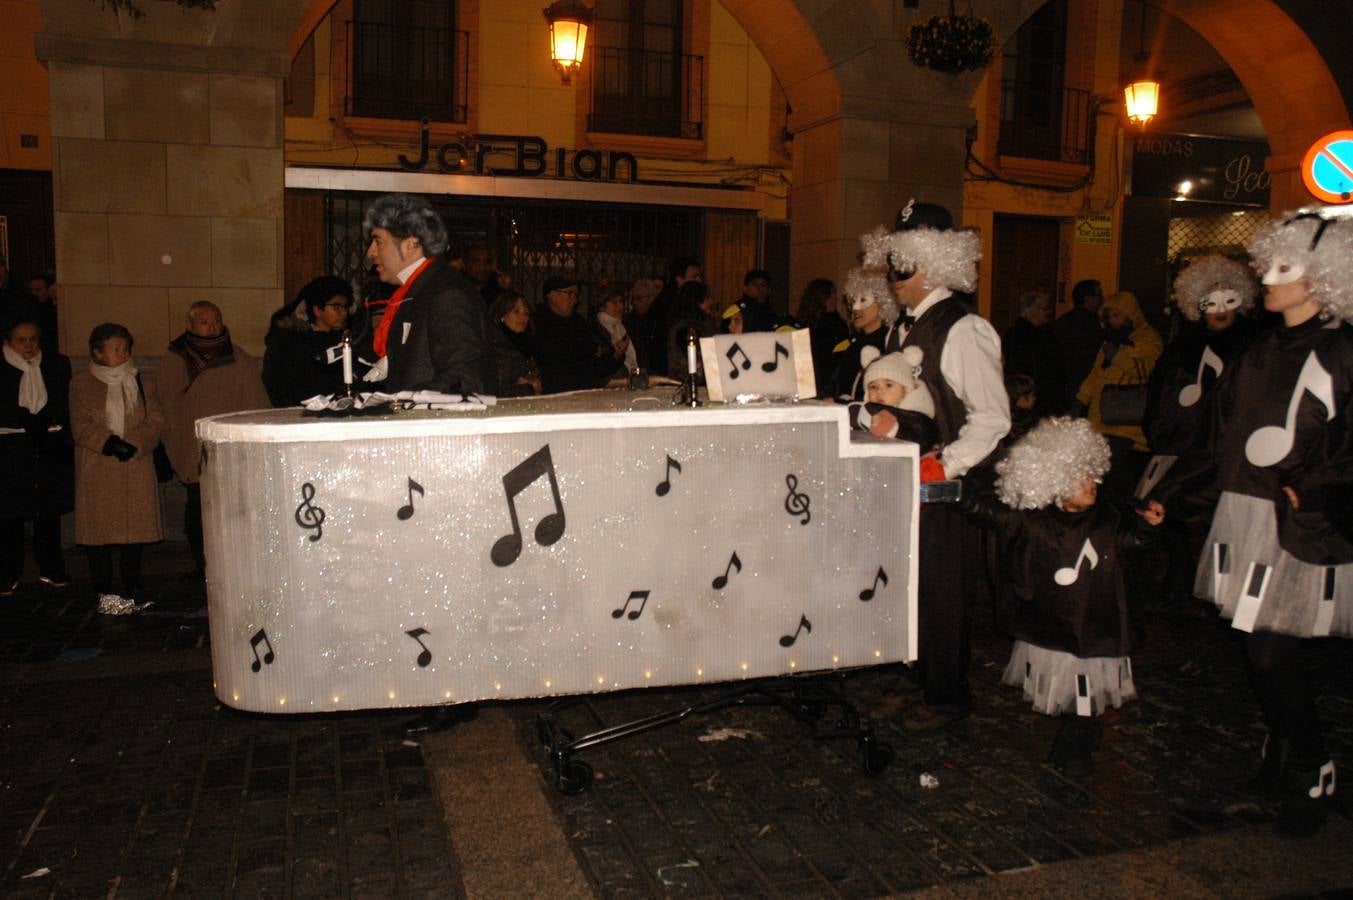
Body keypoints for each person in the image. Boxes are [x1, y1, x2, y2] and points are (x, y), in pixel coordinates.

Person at [1162, 208, 1353, 837]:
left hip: (1296, 524)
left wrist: (1316, 489)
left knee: (1271, 653)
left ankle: (1312, 763)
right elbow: (1219, 438)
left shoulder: (1343, 350)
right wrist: (1173, 492)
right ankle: (1281, 747)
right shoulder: (1259, 348)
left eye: (1284, 266)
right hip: (1243, 516)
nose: (1266, 277)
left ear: (1324, 275)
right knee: (1258, 648)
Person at [859, 200, 1011, 731]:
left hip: (945, 486)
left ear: (935, 264)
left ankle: (947, 696)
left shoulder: (963, 330)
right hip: (908, 481)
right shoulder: (906, 328)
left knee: (943, 589)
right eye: (892, 265)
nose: (894, 280)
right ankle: (919, 672)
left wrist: (947, 466)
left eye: (905, 268)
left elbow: (992, 417)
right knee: (911, 582)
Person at [958, 417, 1163, 775]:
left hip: (1096, 622)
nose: (1091, 484)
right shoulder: (1032, 522)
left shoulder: (1110, 518)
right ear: (1051, 481)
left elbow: (1132, 544)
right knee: (1070, 686)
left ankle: (1076, 746)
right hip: (1053, 621)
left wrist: (1148, 527)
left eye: (1092, 475)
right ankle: (1081, 734)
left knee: (1084, 688)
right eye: (1079, 477)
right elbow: (985, 513)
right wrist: (951, 488)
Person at [1139, 255, 1260, 605]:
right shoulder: (1184, 345)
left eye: (1229, 299)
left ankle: (1221, 587)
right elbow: (1162, 392)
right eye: (1211, 302)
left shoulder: (1254, 345)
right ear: (1196, 306)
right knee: (1175, 512)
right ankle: (1181, 577)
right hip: (1183, 444)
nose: (1220, 309)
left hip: (1230, 449)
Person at [158, 301, 269, 580]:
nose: (213, 326)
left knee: (230, 508)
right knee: (197, 506)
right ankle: (201, 562)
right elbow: (167, 403)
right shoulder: (175, 358)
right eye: (205, 322)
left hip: (228, 445)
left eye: (216, 320)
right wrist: (176, 437)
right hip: (191, 443)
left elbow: (254, 401)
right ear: (190, 325)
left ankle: (229, 561)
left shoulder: (238, 358)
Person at [69, 323, 164, 610]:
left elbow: (156, 420)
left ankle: (132, 577)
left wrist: (135, 442)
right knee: (99, 528)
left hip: (135, 464)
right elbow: (81, 423)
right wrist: (108, 442)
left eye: (125, 349)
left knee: (135, 526)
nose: (122, 355)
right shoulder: (81, 384)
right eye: (114, 349)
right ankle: (102, 582)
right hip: (99, 466)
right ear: (97, 352)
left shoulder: (142, 383)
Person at [361, 194, 494, 395]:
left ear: (411, 245)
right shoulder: (419, 289)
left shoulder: (446, 293)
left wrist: (397, 402)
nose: (370, 252)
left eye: (378, 242)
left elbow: (463, 378)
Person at [0, 320, 73, 595]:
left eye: (33, 339)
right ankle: (8, 572)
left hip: (46, 445)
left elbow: (62, 399)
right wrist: (22, 418)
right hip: (10, 450)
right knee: (9, 515)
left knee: (47, 512)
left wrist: (46, 420)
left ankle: (52, 568)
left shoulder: (55, 365)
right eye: (21, 340)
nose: (28, 346)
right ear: (8, 342)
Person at [1073, 291, 1163, 505]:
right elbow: (1096, 376)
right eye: (1109, 317)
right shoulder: (1110, 343)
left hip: (1129, 429)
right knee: (1104, 487)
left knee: (1122, 490)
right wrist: (1079, 402)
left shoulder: (1149, 339)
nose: (1113, 321)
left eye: (1117, 315)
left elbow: (1149, 372)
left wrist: (1119, 357)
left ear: (1130, 315)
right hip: (1103, 423)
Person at [263, 276, 358, 406]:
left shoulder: (346, 340)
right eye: (336, 306)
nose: (344, 313)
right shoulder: (289, 343)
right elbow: (276, 385)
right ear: (317, 310)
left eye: (345, 306)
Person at [534, 277, 625, 393]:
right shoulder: (539, 323)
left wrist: (616, 356)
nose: (574, 300)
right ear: (552, 295)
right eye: (570, 294)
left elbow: (595, 365)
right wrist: (590, 349)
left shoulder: (578, 322)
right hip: (558, 393)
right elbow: (559, 355)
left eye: (576, 295)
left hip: (588, 391)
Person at [848, 346, 939, 453]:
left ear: (906, 389)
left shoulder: (918, 420)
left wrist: (888, 427)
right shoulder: (869, 411)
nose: (879, 391)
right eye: (873, 387)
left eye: (889, 385)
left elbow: (920, 439)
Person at [830, 268, 901, 401]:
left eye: (863, 300)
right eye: (853, 301)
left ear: (883, 303)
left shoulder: (889, 346)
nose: (855, 308)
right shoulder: (854, 346)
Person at [1002, 291, 1066, 415]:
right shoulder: (1017, 335)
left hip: (1048, 397)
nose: (1048, 312)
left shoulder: (1048, 333)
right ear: (1030, 310)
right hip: (1028, 395)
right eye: (1044, 308)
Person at [647, 257, 702, 376]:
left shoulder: (685, 302)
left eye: (699, 277)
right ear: (679, 280)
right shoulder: (668, 304)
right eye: (694, 277)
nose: (699, 281)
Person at [1055, 280, 1106, 403]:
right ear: (1088, 299)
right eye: (1099, 295)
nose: (1103, 299)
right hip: (1083, 384)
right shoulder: (1092, 324)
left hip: (1067, 384)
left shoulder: (1063, 321)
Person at [796, 278, 849, 397]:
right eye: (832, 294)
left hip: (820, 383)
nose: (836, 298)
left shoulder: (804, 324)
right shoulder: (828, 324)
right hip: (822, 383)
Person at [487, 289, 542, 397]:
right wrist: (529, 388)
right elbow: (497, 393)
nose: (523, 317)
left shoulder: (525, 344)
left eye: (526, 313)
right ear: (502, 315)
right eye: (516, 311)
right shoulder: (496, 348)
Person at [664, 281, 720, 382]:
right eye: (707, 298)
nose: (711, 302)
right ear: (696, 302)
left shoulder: (704, 325)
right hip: (689, 384)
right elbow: (695, 363)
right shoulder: (686, 330)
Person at [593, 288, 637, 378]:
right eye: (614, 303)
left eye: (621, 302)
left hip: (631, 376)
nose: (620, 306)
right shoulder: (595, 328)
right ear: (602, 306)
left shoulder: (625, 325)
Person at [623, 278, 663, 373]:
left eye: (639, 298)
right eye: (634, 299)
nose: (635, 303)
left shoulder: (659, 320)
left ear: (652, 298)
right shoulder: (629, 321)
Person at [733, 268, 777, 333]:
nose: (759, 288)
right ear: (745, 288)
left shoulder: (772, 314)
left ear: (769, 290)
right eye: (755, 284)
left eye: (763, 285)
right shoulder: (737, 310)